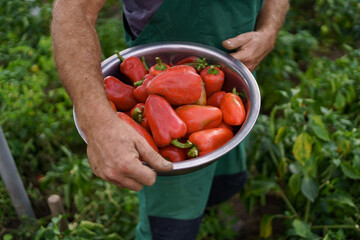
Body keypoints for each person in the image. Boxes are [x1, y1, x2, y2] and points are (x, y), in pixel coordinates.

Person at [51, 0, 289, 239]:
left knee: (225, 177)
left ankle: (214, 213)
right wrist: (98, 124)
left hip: (234, 87)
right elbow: (74, 8)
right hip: (163, 66)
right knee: (170, 226)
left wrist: (269, 29)